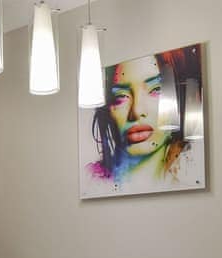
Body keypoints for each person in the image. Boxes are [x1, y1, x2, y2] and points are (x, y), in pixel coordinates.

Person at [87, 45, 202, 188]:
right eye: (121, 95)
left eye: (156, 89)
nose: (136, 110)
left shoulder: (188, 176)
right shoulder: (91, 182)